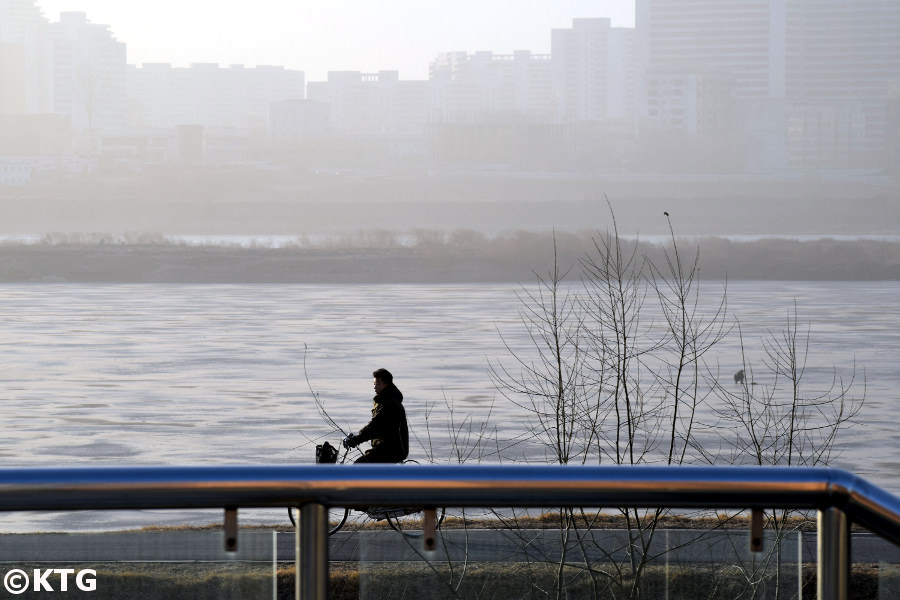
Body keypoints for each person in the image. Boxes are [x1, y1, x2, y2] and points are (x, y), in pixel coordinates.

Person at [342, 368, 409, 464]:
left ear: (387, 384)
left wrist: (357, 439)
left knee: (358, 466)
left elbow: (375, 425)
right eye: (374, 384)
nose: (375, 387)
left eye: (377, 384)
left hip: (391, 450)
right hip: (386, 448)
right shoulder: (385, 401)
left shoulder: (389, 404)